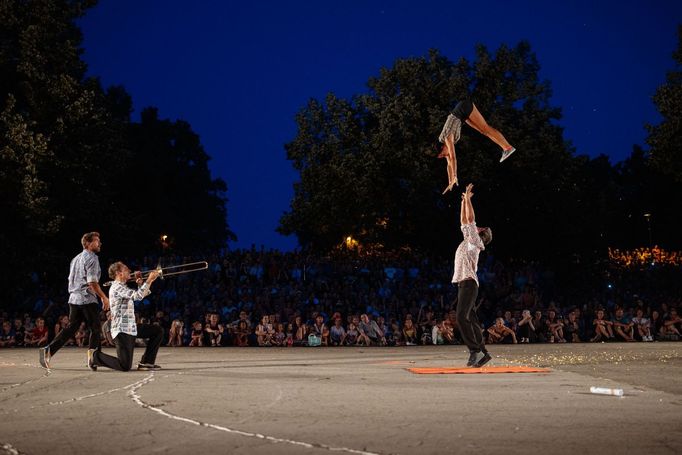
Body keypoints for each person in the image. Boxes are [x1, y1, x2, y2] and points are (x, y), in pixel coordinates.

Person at [40, 232, 109, 370]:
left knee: (71, 329)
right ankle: (94, 359)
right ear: (88, 244)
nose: (100, 243)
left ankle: (48, 351)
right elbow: (92, 282)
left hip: (74, 298)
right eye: (97, 241)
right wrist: (103, 297)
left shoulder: (75, 258)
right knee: (95, 329)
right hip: (87, 298)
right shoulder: (92, 258)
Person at [90, 262, 162, 371]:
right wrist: (149, 280)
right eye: (126, 269)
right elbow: (137, 296)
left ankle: (146, 362)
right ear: (119, 273)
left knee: (157, 331)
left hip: (130, 327)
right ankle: (95, 357)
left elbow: (142, 294)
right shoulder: (117, 287)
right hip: (122, 330)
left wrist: (140, 283)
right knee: (124, 366)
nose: (130, 271)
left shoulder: (122, 286)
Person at [453, 184, 493, 367]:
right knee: (472, 320)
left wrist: (469, 199)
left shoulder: (476, 241)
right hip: (464, 284)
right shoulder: (469, 238)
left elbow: (470, 219)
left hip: (469, 284)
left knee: (461, 317)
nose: (475, 228)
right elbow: (464, 220)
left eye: (478, 228)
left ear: (481, 234)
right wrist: (463, 201)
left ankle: (474, 350)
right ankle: (484, 352)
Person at [438, 100, 516, 193]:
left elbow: (453, 158)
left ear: (442, 147)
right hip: (463, 116)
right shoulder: (445, 147)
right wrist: (451, 181)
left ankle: (508, 147)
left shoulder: (447, 138)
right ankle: (505, 149)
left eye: (442, 155)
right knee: (483, 131)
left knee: (485, 127)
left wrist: (455, 175)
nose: (445, 156)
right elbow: (449, 164)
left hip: (464, 107)